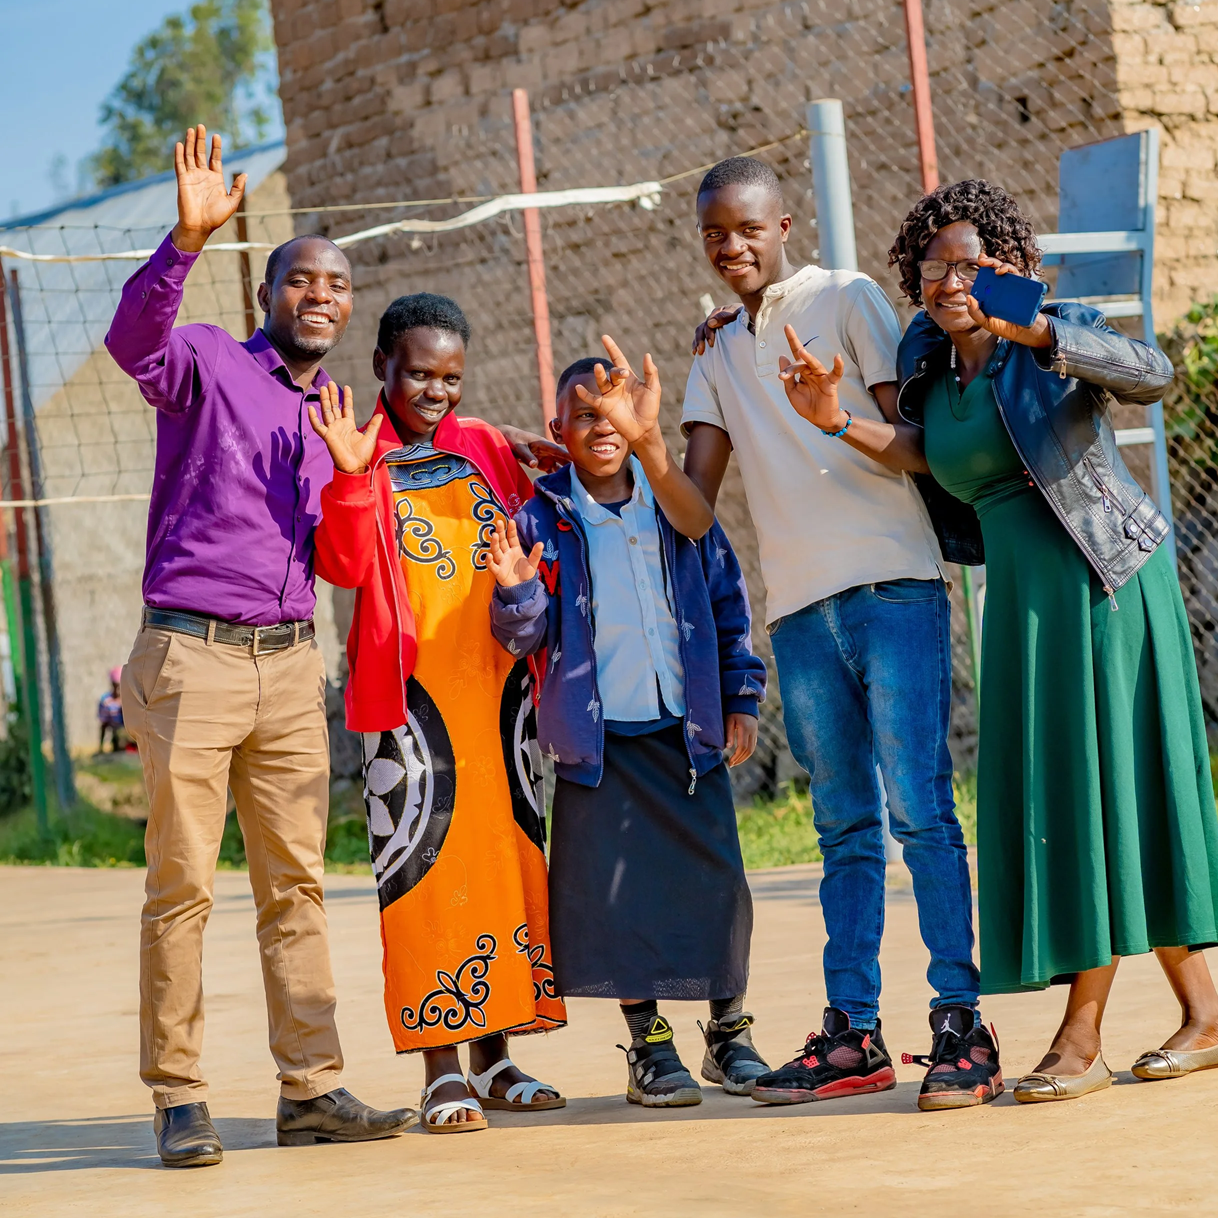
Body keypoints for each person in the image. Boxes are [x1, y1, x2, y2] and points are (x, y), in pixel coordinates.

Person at [106, 126, 555, 1167]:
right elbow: (137, 343)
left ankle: (309, 1085)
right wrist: (181, 242)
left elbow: (348, 566)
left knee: (295, 885)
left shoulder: (339, 419)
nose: (320, 292)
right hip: (191, 653)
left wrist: (354, 473)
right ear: (269, 293)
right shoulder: (210, 360)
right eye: (300, 278)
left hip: (288, 665)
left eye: (336, 283)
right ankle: (179, 1093)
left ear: (349, 309)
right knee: (181, 885)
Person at [857, 178, 1218, 1102]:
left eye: (975, 261)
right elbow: (934, 455)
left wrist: (1041, 333)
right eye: (938, 264)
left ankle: (1081, 1033)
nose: (956, 277)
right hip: (1023, 602)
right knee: (1089, 789)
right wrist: (834, 416)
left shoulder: (1054, 335)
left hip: (1101, 579)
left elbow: (1153, 373)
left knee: (1096, 791)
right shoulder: (932, 366)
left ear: (1013, 268)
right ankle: (1209, 1018)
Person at [684, 156, 1000, 1111]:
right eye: (714, 234)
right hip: (800, 611)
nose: (732, 245)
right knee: (844, 828)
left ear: (786, 226)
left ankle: (962, 1023)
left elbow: (919, 448)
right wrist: (637, 443)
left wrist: (833, 417)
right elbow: (695, 510)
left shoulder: (849, 296)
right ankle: (852, 1033)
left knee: (921, 811)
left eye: (747, 227)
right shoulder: (714, 352)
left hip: (893, 585)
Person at [484, 342, 771, 1105]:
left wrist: (740, 696)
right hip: (599, 746)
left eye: (614, 409)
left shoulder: (672, 503)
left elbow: (726, 603)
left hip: (685, 736)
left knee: (716, 889)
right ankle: (648, 1041)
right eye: (584, 414)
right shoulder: (541, 516)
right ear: (559, 428)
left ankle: (729, 1031)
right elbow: (524, 639)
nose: (602, 424)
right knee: (612, 902)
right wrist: (515, 593)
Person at [309, 293, 568, 1135]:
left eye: (451, 377)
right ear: (382, 364)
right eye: (419, 372)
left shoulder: (487, 446)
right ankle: (440, 1070)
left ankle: (495, 1060)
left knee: (503, 864)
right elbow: (343, 568)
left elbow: (539, 544)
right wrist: (350, 476)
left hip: (500, 695)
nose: (436, 391)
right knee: (422, 870)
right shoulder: (356, 448)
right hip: (412, 706)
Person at [97, 666, 126, 753]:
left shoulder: (129, 699)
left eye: (120, 686)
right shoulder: (106, 701)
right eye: (115, 686)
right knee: (120, 735)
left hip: (131, 733)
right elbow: (104, 724)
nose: (118, 690)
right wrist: (101, 748)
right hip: (117, 734)